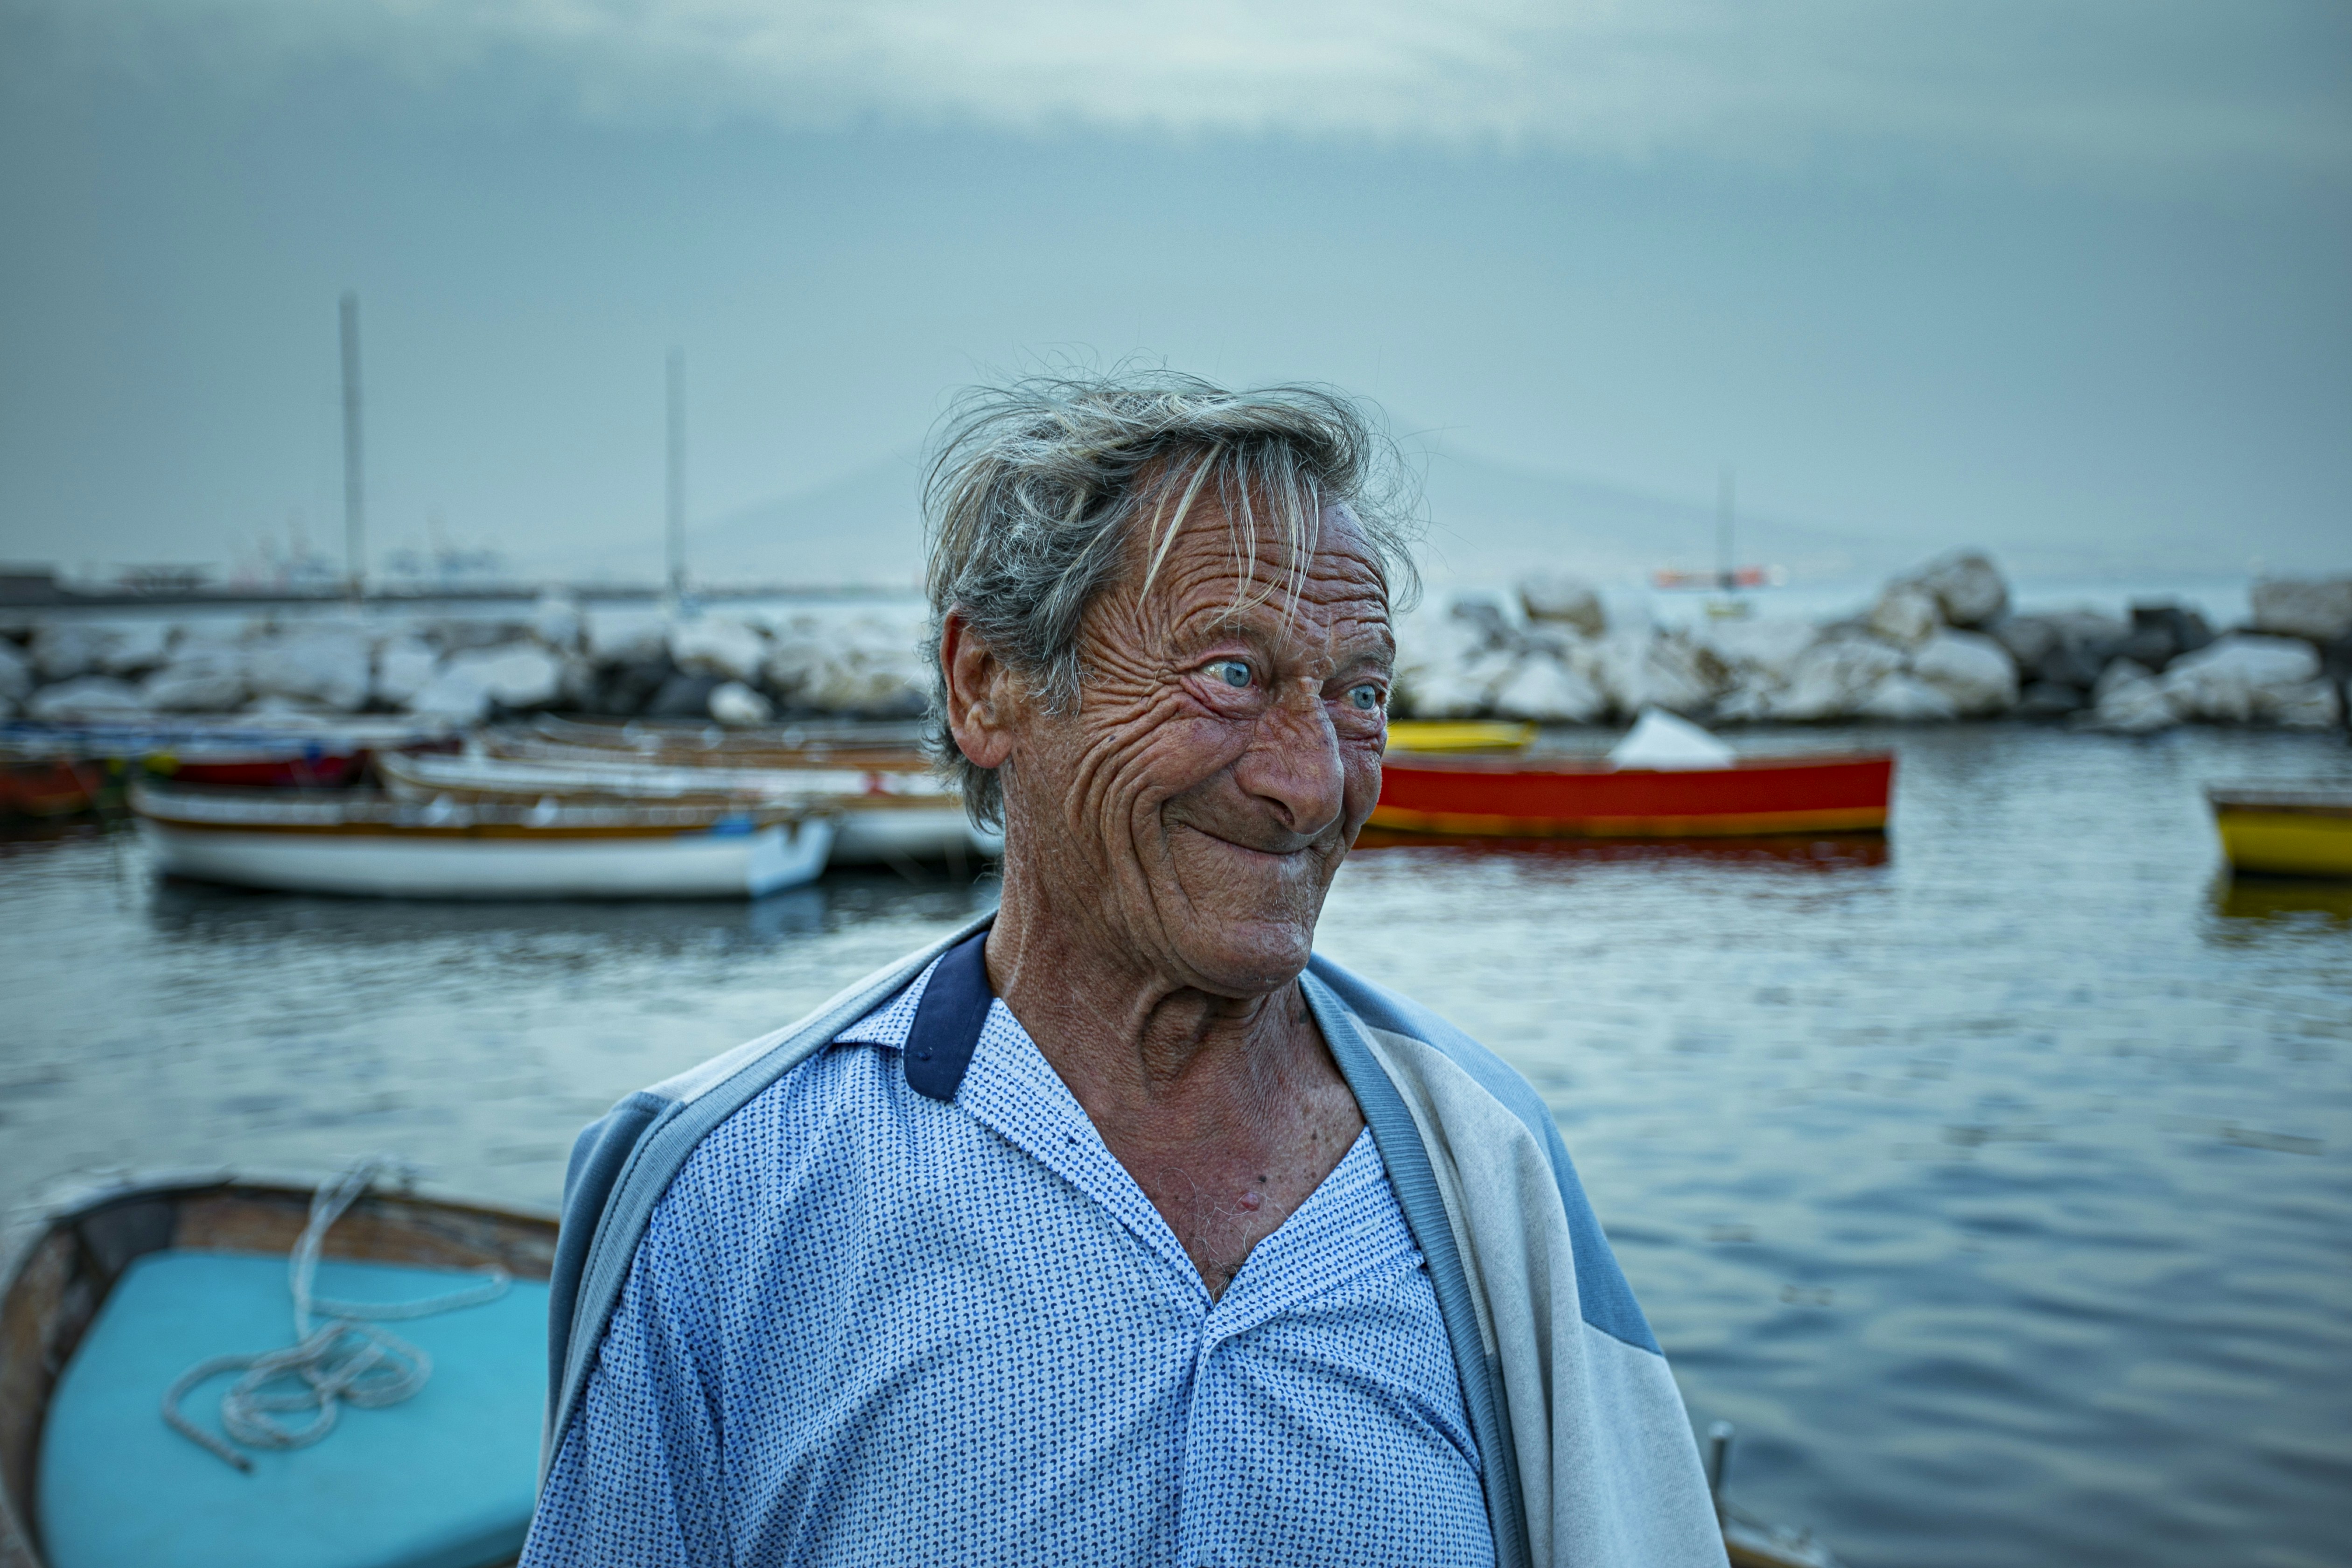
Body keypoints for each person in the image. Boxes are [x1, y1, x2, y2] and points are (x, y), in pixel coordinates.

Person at [524, 371, 1726, 1568]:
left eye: (1361, 694)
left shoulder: (1487, 1171)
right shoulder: (721, 1195)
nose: (1311, 783)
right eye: (1232, 675)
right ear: (987, 685)